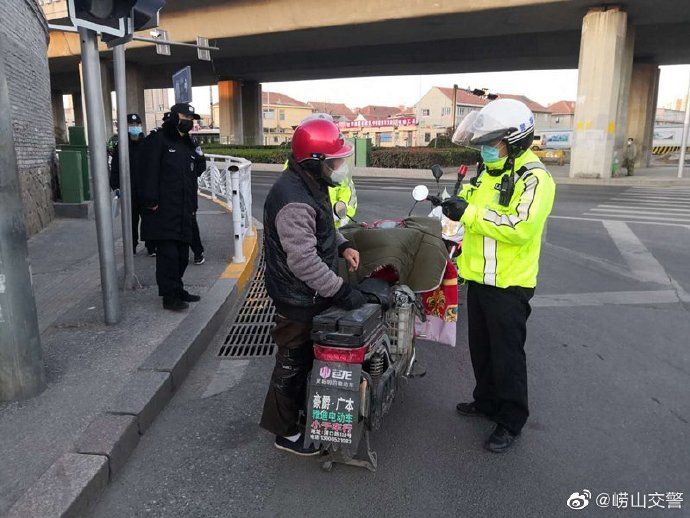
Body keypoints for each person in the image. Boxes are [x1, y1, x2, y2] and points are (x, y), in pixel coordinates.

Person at [441, 99, 555, 453]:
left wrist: (470, 214)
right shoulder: (489, 173)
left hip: (510, 284)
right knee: (482, 349)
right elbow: (469, 213)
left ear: (517, 140)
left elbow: (519, 227)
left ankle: (510, 420)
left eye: (493, 143)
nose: (487, 150)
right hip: (478, 278)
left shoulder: (535, 178)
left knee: (507, 356)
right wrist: (452, 214)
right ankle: (486, 401)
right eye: (485, 144)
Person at [260, 118, 365, 456]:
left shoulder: (310, 184)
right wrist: (341, 291)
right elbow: (303, 261)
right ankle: (285, 432)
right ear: (314, 161)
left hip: (309, 292)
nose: (340, 166)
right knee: (292, 361)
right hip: (297, 296)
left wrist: (343, 244)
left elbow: (324, 227)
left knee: (307, 356)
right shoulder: (293, 198)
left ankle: (300, 415)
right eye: (335, 161)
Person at [137, 103, 203, 311]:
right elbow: (147, 173)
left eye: (192, 118)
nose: (189, 121)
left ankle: (178, 288)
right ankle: (169, 295)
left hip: (184, 209)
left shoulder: (187, 143)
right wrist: (150, 202)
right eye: (186, 116)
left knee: (183, 255)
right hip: (163, 210)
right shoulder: (158, 141)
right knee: (168, 256)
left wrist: (193, 206)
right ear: (174, 117)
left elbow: (195, 173)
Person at [286, 113, 359, 227]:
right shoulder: (296, 204)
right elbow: (305, 241)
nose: (341, 164)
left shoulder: (314, 175)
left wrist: (341, 214)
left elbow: (348, 192)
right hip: (322, 229)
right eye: (336, 159)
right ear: (318, 163)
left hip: (334, 225)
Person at [109, 113, 153, 255]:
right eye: (131, 125)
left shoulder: (148, 144)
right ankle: (131, 246)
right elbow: (115, 168)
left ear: (141, 126)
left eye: (137, 125)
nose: (134, 128)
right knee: (131, 221)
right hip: (129, 191)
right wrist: (115, 186)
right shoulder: (121, 147)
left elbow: (154, 167)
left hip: (146, 190)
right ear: (126, 127)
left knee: (149, 219)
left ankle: (151, 246)